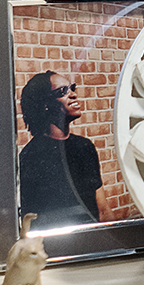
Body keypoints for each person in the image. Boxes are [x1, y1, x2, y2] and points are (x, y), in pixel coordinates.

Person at [18, 71, 103, 228]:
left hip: (94, 242)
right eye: (63, 91)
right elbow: (30, 219)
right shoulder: (31, 156)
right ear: (45, 104)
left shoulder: (85, 147)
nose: (73, 95)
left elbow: (102, 208)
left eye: (72, 88)